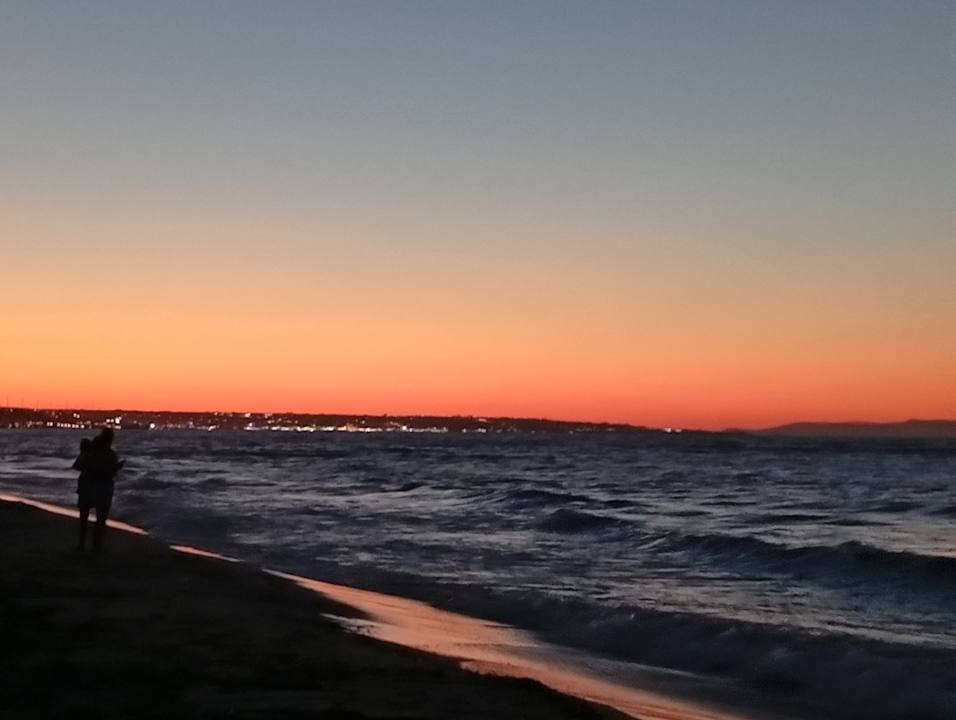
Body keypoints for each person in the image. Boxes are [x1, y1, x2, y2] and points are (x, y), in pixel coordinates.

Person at [73, 428, 124, 552]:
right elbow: (110, 473)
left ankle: (82, 544)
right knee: (100, 520)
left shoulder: (89, 450)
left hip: (86, 486)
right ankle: (96, 546)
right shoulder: (111, 454)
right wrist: (116, 468)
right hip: (103, 488)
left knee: (83, 518)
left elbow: (77, 465)